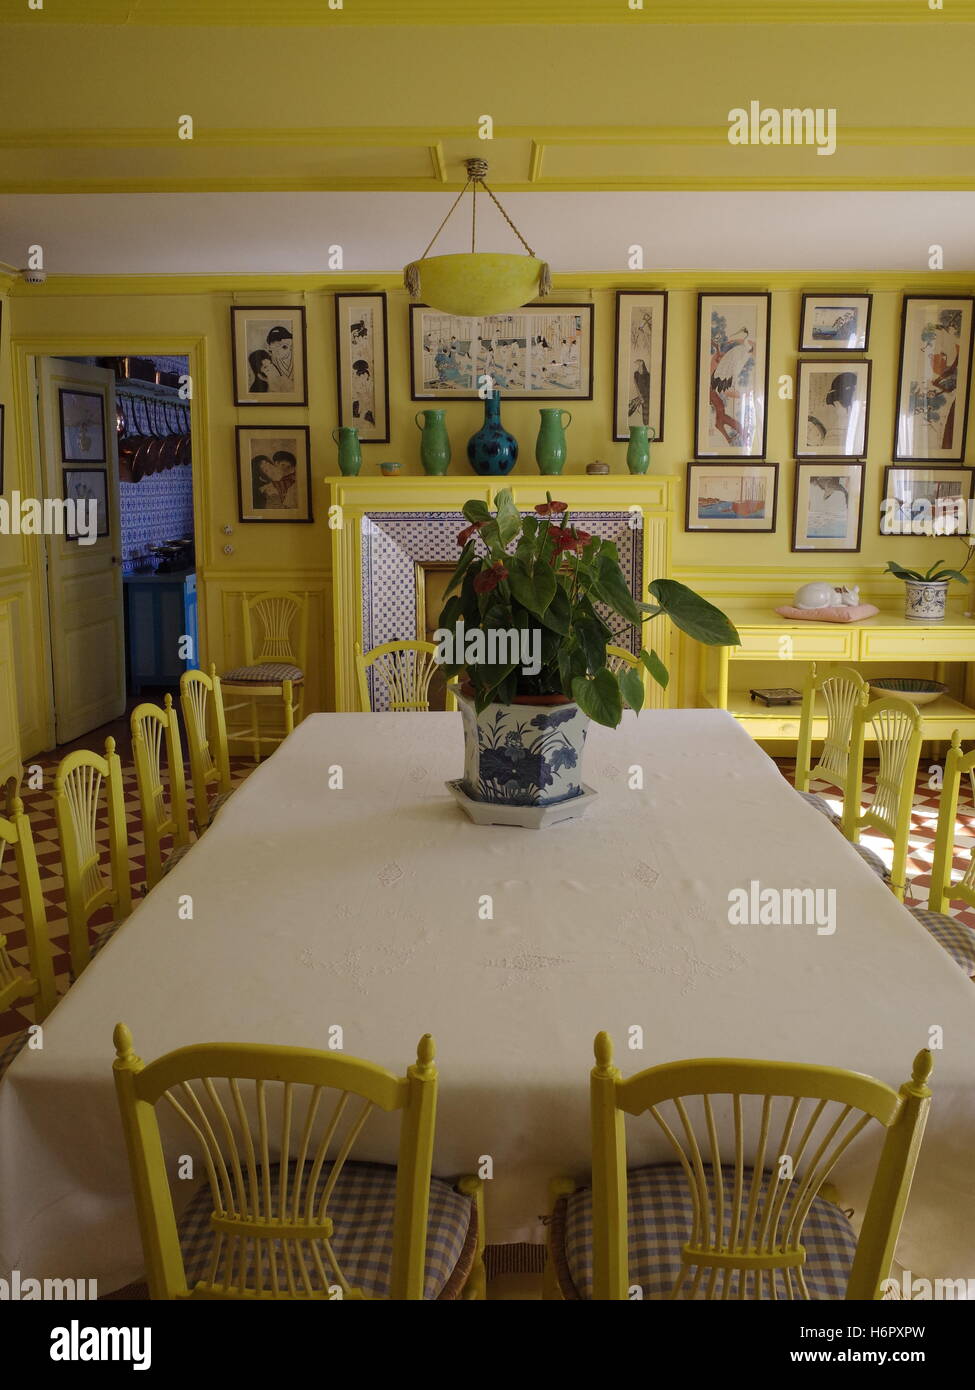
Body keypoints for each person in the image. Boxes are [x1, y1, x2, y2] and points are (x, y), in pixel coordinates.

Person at [265, 325, 294, 392]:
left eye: (283, 346)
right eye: (273, 347)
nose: (277, 350)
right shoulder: (271, 361)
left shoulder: (296, 357)